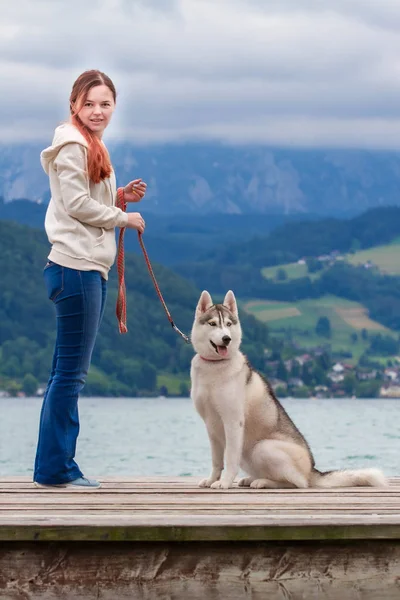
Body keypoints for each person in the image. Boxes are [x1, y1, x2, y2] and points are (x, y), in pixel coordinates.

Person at [33, 70, 147, 489]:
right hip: (76, 268)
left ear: (114, 106)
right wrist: (123, 217)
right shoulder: (72, 145)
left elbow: (83, 199)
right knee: (70, 375)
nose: (98, 111)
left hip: (82, 268)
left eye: (105, 104)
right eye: (90, 103)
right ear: (74, 105)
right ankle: (57, 470)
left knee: (64, 373)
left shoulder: (90, 145)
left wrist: (119, 197)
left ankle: (53, 467)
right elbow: (76, 204)